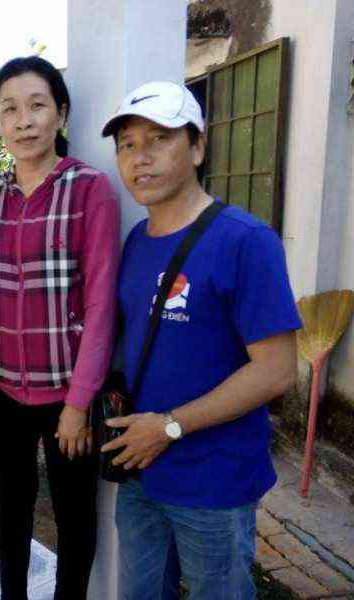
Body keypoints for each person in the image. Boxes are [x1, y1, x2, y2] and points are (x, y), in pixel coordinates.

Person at [100, 81, 301, 600]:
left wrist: (169, 427)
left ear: (197, 147)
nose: (140, 158)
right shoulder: (136, 241)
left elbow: (278, 369)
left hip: (215, 481)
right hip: (140, 472)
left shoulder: (245, 241)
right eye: (127, 144)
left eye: (159, 139)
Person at [0, 55, 120, 600]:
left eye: (37, 106)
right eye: (9, 109)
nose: (23, 121)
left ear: (61, 114)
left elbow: (100, 304)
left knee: (74, 515)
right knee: (12, 506)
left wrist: (79, 403)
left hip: (67, 394)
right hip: (1, 388)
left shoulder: (89, 190)